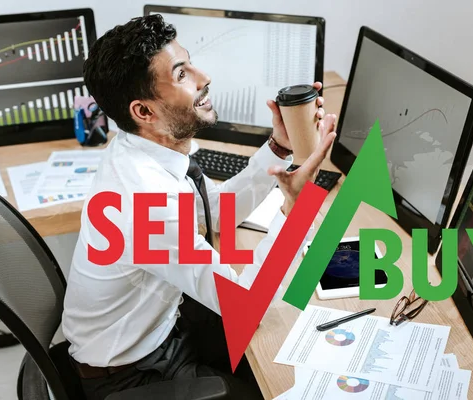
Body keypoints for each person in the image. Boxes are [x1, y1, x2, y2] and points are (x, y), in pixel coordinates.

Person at [61, 14, 337, 400]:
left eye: (190, 62)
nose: (202, 76)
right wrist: (297, 206)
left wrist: (278, 146)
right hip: (134, 374)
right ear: (144, 112)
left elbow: (217, 213)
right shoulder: (145, 204)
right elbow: (245, 307)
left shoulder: (147, 147)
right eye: (180, 75)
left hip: (165, 330)